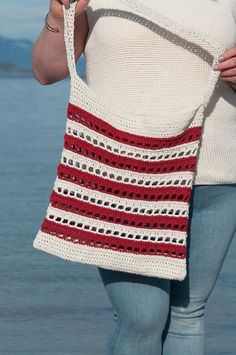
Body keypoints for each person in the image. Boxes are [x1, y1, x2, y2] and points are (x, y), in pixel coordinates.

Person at [32, 0, 236, 354]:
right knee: (141, 317)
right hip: (121, 173)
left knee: (188, 315)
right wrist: (57, 17)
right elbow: (47, 71)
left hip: (218, 170)